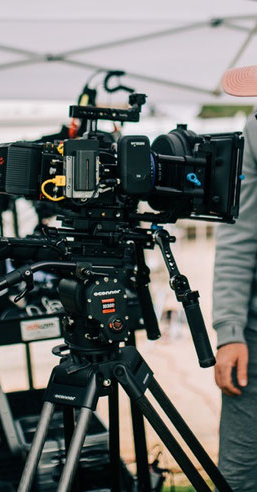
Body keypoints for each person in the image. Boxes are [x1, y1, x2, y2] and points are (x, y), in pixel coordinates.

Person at [213, 66, 257, 491]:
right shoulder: (255, 128)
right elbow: (237, 233)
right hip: (255, 334)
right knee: (241, 473)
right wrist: (229, 331)